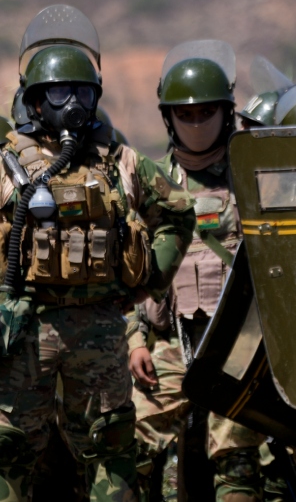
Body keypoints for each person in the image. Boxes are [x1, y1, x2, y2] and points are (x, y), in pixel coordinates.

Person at [0, 32, 195, 499]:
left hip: (101, 331)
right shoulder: (7, 166)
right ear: (34, 101)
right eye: (59, 92)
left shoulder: (121, 161)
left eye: (84, 93)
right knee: (10, 452)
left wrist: (150, 280)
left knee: (110, 449)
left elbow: (177, 211)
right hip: (25, 329)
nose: (73, 103)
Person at [126, 43, 274, 502]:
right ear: (168, 117)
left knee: (235, 454)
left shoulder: (251, 174)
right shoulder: (150, 181)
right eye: (185, 114)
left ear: (226, 112)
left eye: (206, 112)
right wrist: (135, 342)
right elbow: (133, 273)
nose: (196, 123)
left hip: (239, 345)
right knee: (126, 442)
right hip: (172, 342)